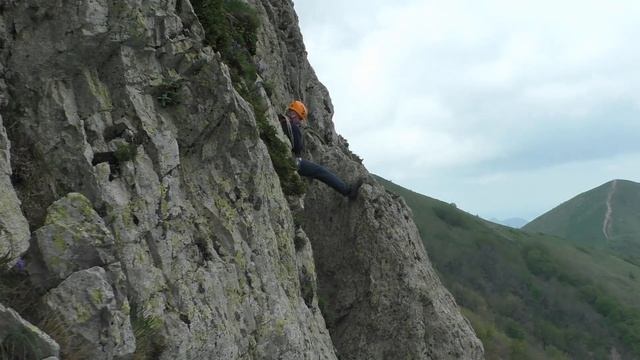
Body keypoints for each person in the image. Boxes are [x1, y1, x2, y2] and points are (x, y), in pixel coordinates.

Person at [279, 100, 362, 200]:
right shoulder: (293, 127)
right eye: (299, 118)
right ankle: (348, 191)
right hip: (292, 161)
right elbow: (298, 147)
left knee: (317, 171)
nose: (300, 122)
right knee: (320, 171)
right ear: (294, 115)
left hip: (283, 157)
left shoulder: (280, 121)